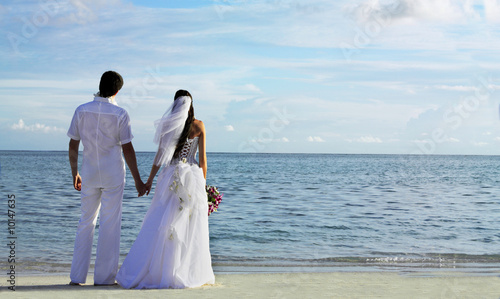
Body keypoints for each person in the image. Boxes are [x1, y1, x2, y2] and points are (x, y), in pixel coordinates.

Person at [116, 90, 215, 289]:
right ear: (191, 105)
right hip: (192, 177)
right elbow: (203, 160)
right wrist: (203, 187)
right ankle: (186, 271)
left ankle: (162, 270)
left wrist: (149, 181)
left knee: (162, 222)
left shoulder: (168, 127)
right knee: (189, 225)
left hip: (170, 176)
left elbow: (160, 159)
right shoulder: (199, 125)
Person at [67, 71, 146, 286]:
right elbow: (128, 149)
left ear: (99, 86)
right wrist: (138, 179)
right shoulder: (120, 114)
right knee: (110, 224)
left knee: (86, 222)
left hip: (90, 173)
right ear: (117, 90)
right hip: (113, 175)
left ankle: (77, 277)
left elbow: (73, 145)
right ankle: (104, 278)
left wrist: (75, 173)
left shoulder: (81, 110)